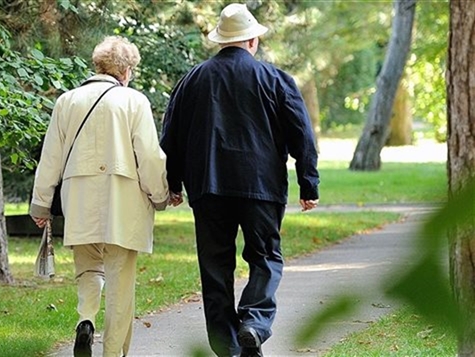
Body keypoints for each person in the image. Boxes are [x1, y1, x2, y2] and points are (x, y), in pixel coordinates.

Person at [160, 3, 320, 357]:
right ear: (252, 41)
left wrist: (173, 183)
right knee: (265, 258)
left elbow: (171, 138)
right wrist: (309, 184)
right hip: (261, 188)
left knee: (215, 268)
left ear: (222, 41)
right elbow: (302, 137)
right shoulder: (275, 79)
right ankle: (255, 321)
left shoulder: (192, 80)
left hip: (208, 187)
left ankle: (228, 347)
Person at [29, 36, 170, 357]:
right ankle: (113, 352)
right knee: (121, 282)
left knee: (89, 268)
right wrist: (160, 195)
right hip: (124, 202)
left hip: (79, 198)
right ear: (126, 70)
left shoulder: (67, 101)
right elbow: (148, 156)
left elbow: (50, 157)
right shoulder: (134, 101)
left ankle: (86, 320)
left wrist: (41, 204)